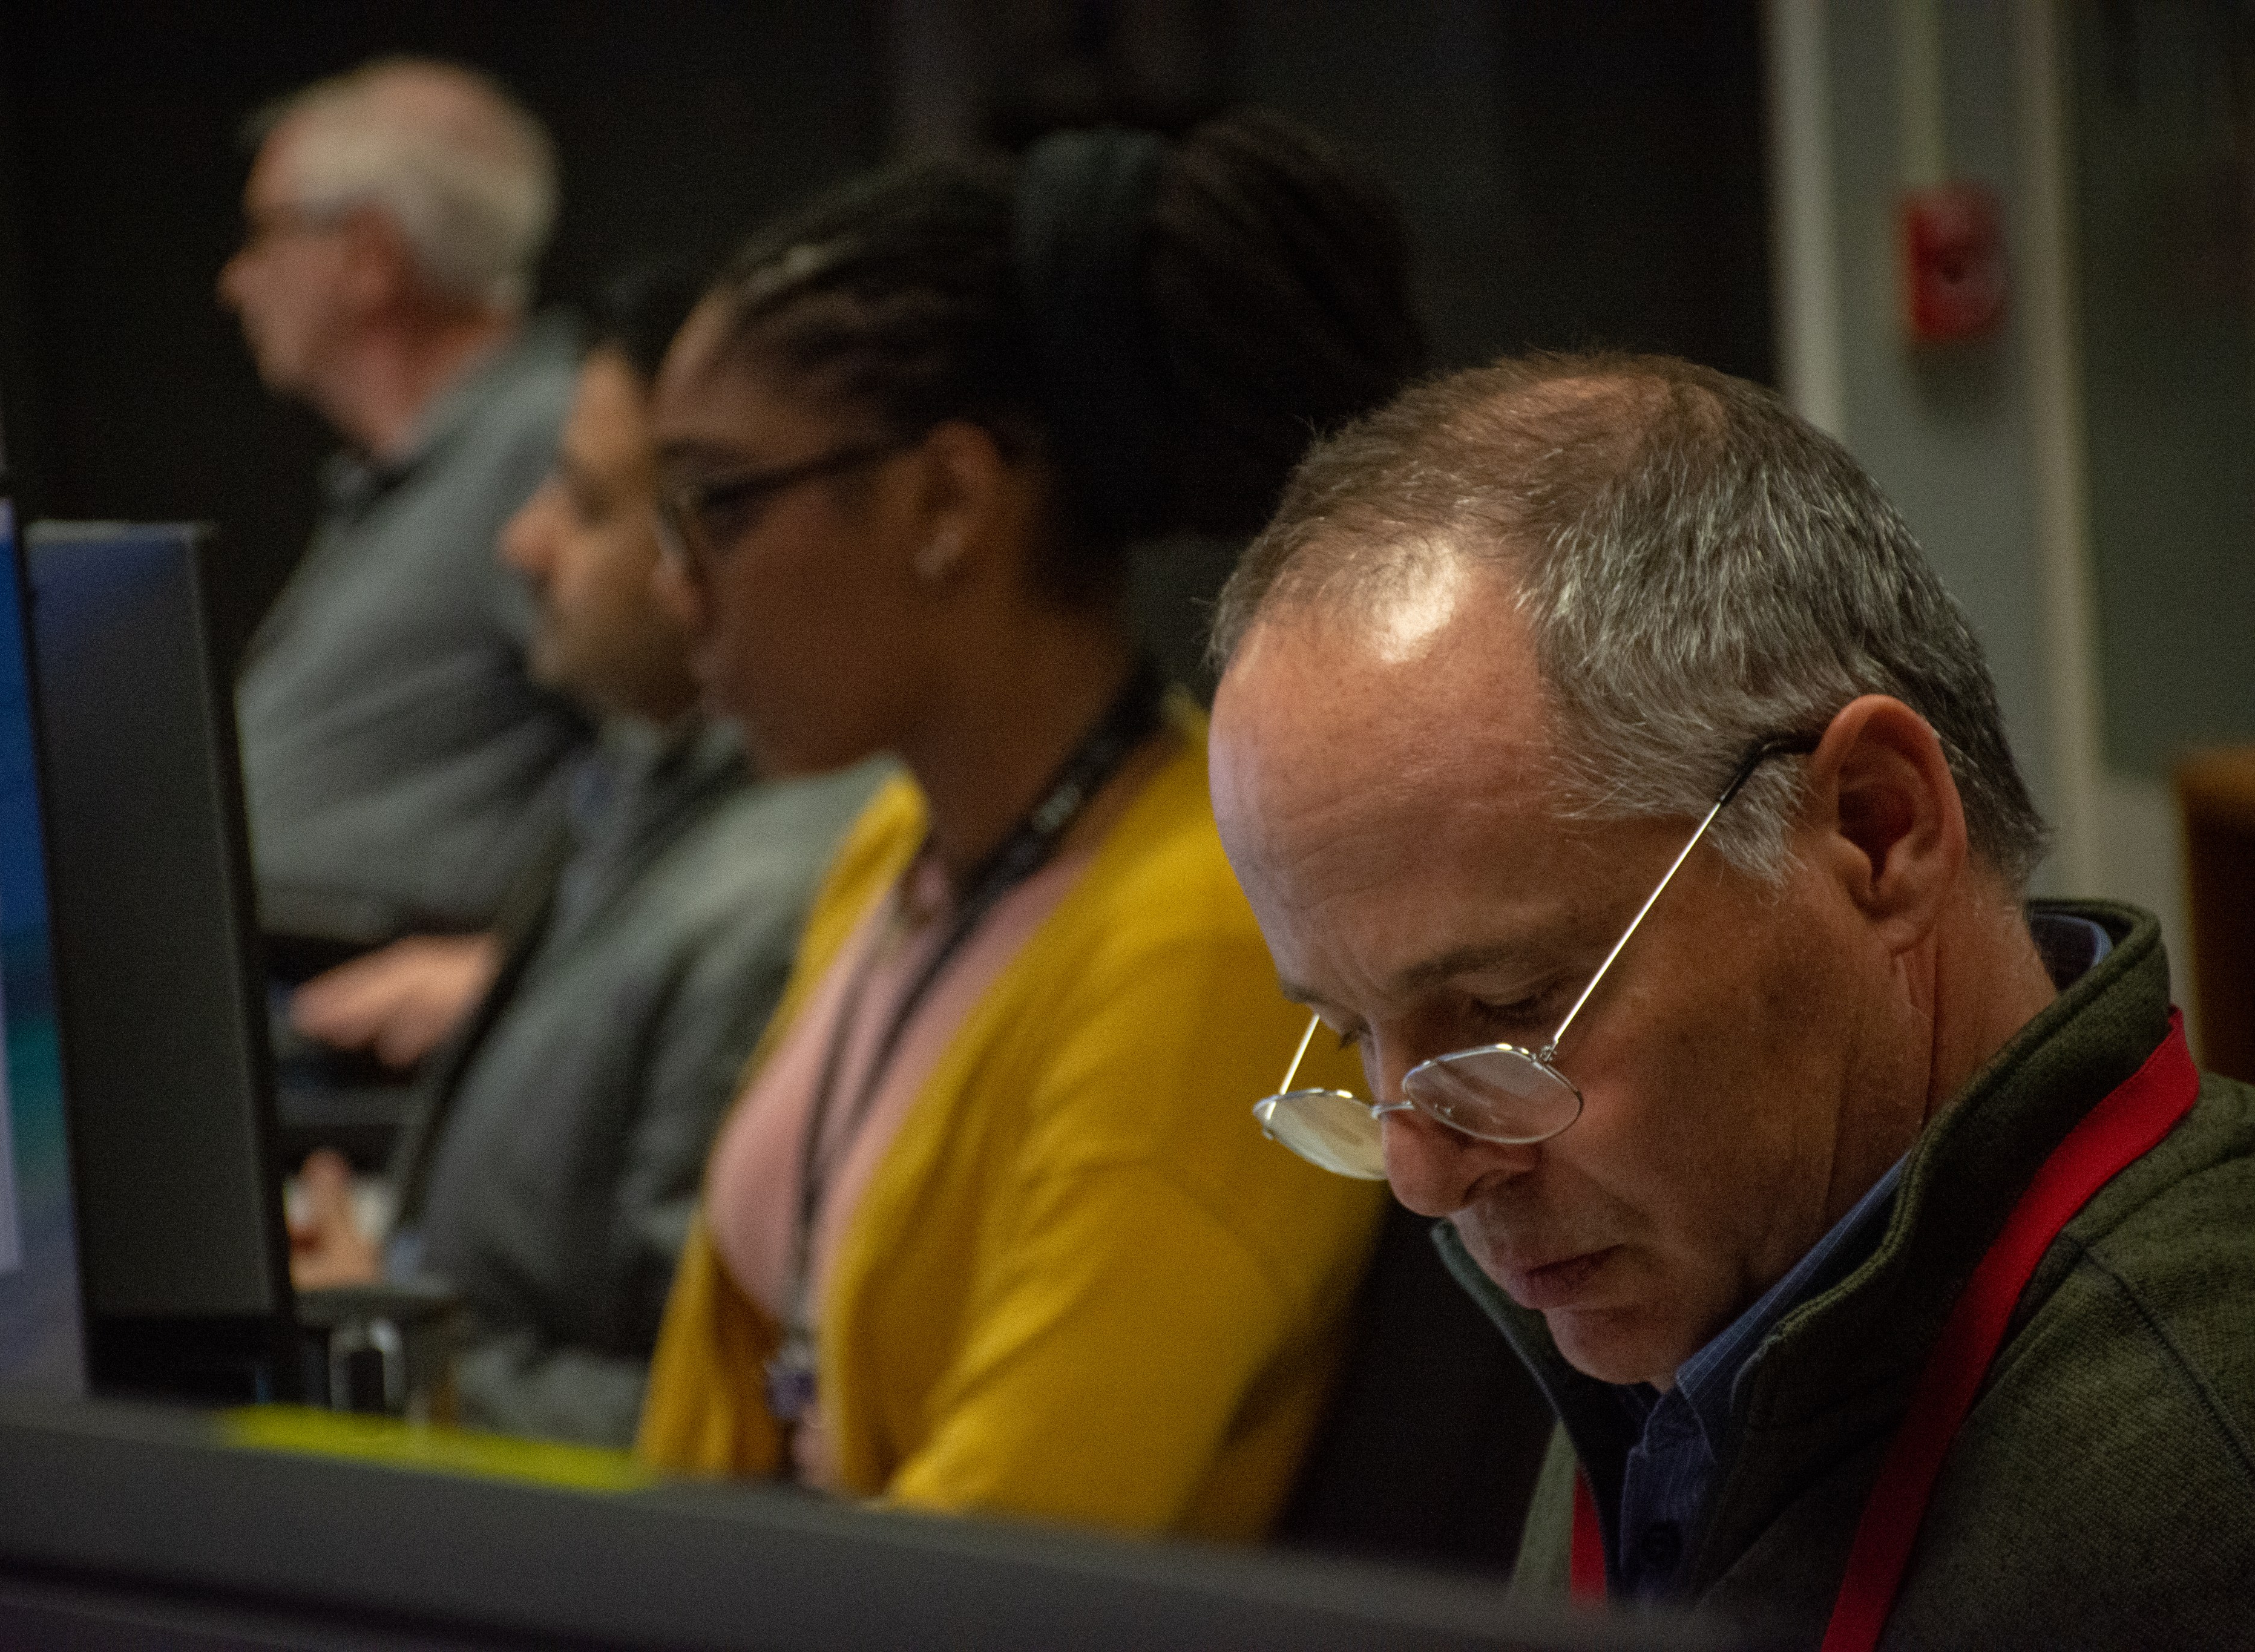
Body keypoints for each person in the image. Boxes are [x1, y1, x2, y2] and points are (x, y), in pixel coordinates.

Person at [1206, 352, 2255, 1645]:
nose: (1423, 1177)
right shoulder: (1708, 1278)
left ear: (1874, 832)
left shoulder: (2191, 1477)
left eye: (1502, 1004)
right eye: (1355, 1032)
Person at [635, 111, 1422, 1539]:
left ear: (946, 500)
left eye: (714, 505)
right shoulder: (902, 844)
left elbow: (998, 1579)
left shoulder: (1205, 945)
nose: (669, 583)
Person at [287, 278, 882, 1447]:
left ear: (712, 545)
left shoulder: (766, 914)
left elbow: (710, 1425)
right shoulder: (642, 784)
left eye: (585, 501)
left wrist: (376, 1347)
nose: (523, 542)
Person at [222, 57, 587, 951]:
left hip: (374, 1024)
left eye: (266, 235)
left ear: (370, 258)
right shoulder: (426, 460)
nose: (236, 281)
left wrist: (508, 970)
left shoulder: (540, 443)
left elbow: (681, 756)